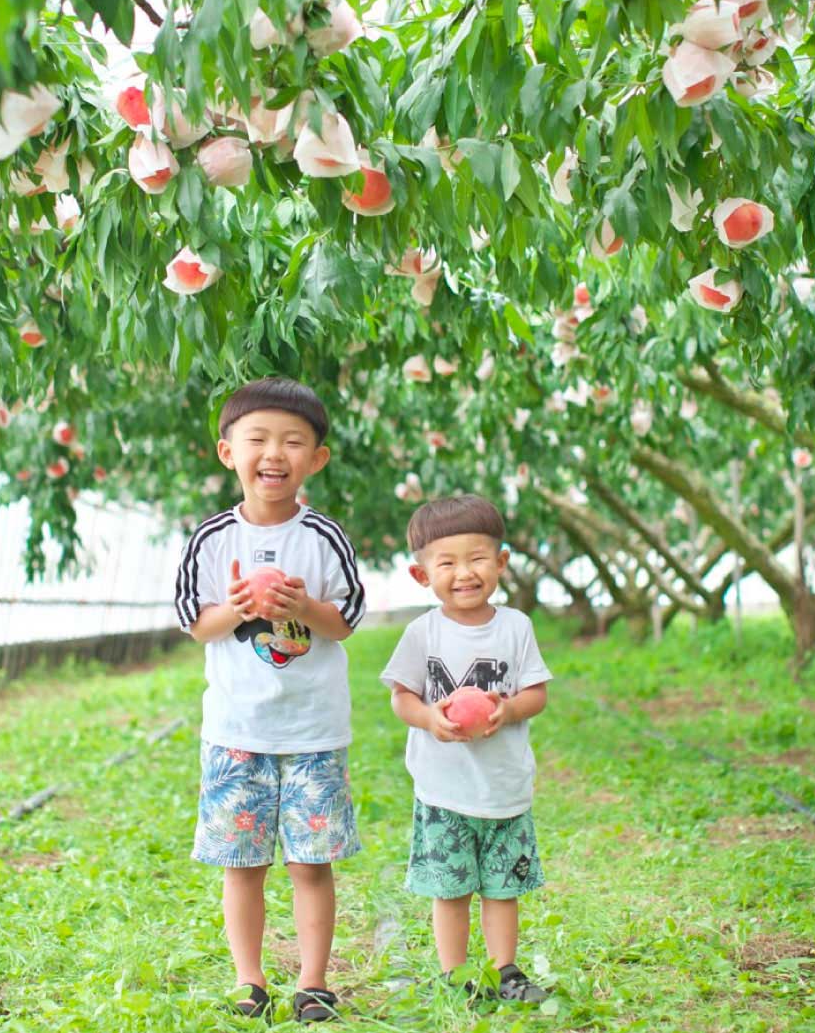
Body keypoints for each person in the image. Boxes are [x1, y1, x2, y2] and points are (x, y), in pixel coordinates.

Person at [174, 378, 366, 1024]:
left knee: (311, 865)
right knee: (243, 864)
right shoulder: (211, 539)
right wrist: (238, 608)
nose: (274, 453)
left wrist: (302, 606)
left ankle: (313, 982)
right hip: (237, 730)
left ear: (317, 458)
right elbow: (195, 623)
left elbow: (346, 621)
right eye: (257, 439)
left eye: (293, 441)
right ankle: (249, 979)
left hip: (313, 730)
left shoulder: (324, 537)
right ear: (228, 452)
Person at [380, 494, 552, 1004]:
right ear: (421, 575)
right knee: (450, 889)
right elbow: (402, 697)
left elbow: (537, 694)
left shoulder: (516, 627)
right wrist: (430, 719)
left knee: (502, 888)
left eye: (477, 559)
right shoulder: (422, 633)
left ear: (501, 562)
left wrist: (508, 710)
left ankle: (505, 971)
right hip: (443, 791)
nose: (464, 573)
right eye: (447, 563)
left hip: (503, 788)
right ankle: (455, 974)